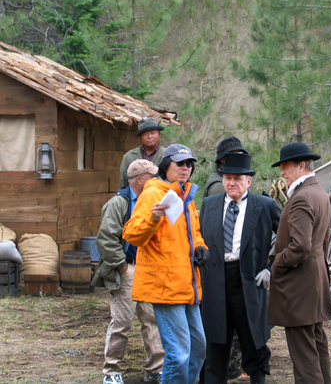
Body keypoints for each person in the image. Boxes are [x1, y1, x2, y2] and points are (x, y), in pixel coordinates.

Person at [122, 144, 209, 384]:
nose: (185, 168)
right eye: (179, 163)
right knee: (179, 354)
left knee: (198, 350)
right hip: (164, 286)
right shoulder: (152, 193)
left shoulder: (186, 194)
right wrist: (152, 218)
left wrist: (201, 247)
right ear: (166, 165)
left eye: (189, 164)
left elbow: (193, 233)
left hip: (188, 285)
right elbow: (131, 234)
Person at [200, 153, 281, 384]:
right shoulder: (209, 205)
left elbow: (288, 236)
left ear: (249, 181)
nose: (231, 183)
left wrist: (271, 267)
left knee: (253, 344)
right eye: (227, 178)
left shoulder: (264, 205)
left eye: (237, 178)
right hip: (215, 281)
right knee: (215, 346)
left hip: (248, 282)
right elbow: (199, 237)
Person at [93, 159, 164, 384]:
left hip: (149, 267)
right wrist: (123, 267)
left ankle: (155, 369)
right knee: (122, 321)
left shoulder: (152, 199)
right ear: (140, 179)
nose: (158, 181)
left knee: (152, 319)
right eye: (153, 177)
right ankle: (112, 371)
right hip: (128, 267)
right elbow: (106, 239)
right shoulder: (118, 203)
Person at [268, 143, 331, 384]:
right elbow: (322, 241)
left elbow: (301, 246)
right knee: (317, 345)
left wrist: (277, 263)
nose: (282, 173)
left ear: (301, 166)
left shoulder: (302, 197)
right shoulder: (320, 193)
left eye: (285, 167)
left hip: (300, 285)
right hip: (315, 279)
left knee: (304, 356)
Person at [202, 136, 250, 383]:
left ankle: (228, 367)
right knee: (221, 329)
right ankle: (227, 368)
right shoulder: (220, 188)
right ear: (221, 162)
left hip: (230, 269)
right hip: (221, 268)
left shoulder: (227, 182)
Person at [119, 117, 165, 188]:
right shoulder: (129, 156)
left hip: (160, 197)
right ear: (140, 137)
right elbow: (123, 184)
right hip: (136, 198)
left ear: (159, 134)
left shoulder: (167, 155)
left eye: (153, 133)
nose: (149, 137)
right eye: (145, 134)